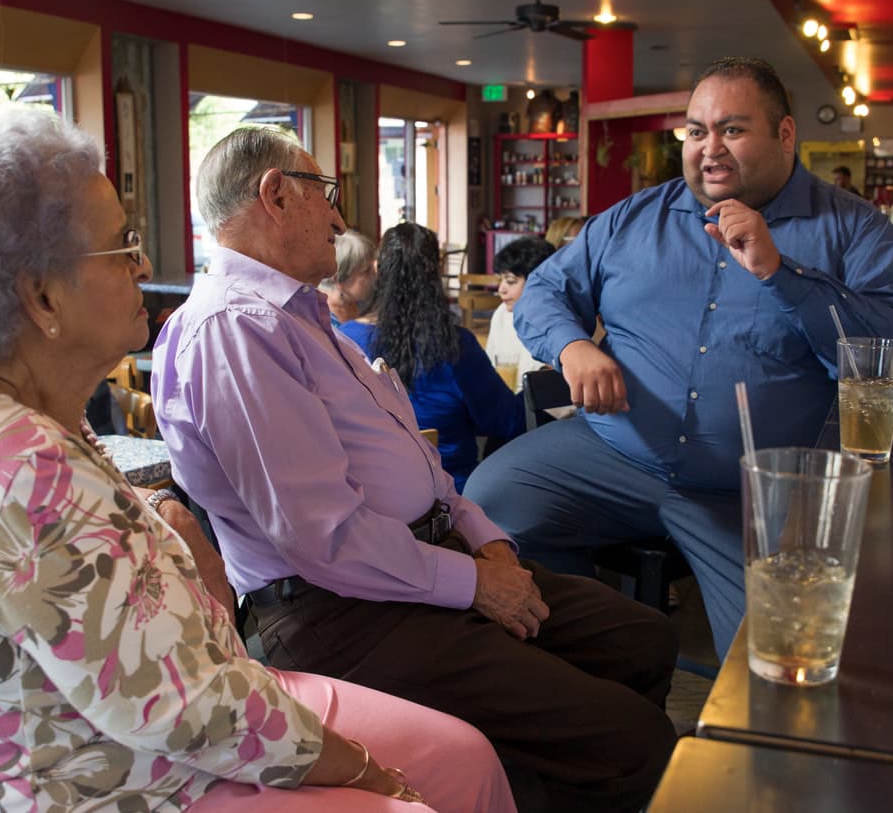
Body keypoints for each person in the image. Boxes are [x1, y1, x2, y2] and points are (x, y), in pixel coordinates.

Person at [0, 112, 515, 812]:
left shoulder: (13, 413)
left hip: (174, 720)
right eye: (119, 246)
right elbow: (186, 710)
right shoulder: (18, 465)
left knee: (463, 759)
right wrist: (361, 769)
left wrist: (160, 513)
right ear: (42, 297)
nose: (142, 263)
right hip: (113, 780)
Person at [152, 126, 679, 813]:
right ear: (275, 195)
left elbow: (421, 464)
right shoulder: (234, 328)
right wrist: (475, 584)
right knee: (629, 736)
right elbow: (325, 540)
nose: (339, 218)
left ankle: (553, 778)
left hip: (422, 564)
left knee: (642, 639)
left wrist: (484, 537)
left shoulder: (303, 318)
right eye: (326, 193)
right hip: (340, 609)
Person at [465, 57, 893, 660]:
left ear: (785, 135)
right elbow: (545, 293)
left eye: (733, 130)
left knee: (778, 654)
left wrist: (780, 272)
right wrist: (573, 346)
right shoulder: (633, 220)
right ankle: (600, 665)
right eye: (696, 131)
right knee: (489, 508)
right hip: (614, 454)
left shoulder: (851, 227)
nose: (709, 149)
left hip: (748, 489)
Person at [339, 222, 524, 492]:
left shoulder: (346, 340)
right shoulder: (455, 345)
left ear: (379, 270)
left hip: (376, 498)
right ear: (436, 273)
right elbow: (505, 421)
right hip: (454, 497)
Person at [484, 235, 555, 392]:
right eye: (500, 280)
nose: (501, 289)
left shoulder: (558, 320)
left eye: (510, 281)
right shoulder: (502, 314)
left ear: (537, 280)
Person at [318, 229, 377, 325]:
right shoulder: (321, 315)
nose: (374, 274)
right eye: (366, 271)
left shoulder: (358, 302)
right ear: (338, 277)